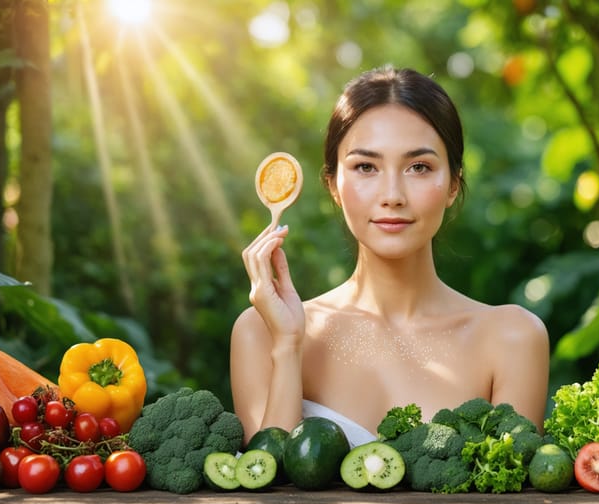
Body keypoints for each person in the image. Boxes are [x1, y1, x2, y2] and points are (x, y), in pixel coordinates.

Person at [230, 66, 549, 447]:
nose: (392, 194)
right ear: (333, 184)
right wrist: (287, 345)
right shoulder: (260, 332)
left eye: (419, 167)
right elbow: (264, 490)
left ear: (453, 184)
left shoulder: (511, 339)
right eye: (366, 167)